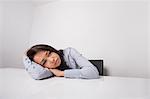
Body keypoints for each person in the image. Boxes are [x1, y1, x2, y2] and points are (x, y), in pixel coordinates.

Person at [23, 44, 99, 80]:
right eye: (44, 62)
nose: (52, 59)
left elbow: (94, 72)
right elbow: (38, 75)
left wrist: (61, 73)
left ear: (51, 49)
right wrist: (25, 56)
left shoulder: (70, 52)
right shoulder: (48, 70)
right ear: (42, 67)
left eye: (49, 53)